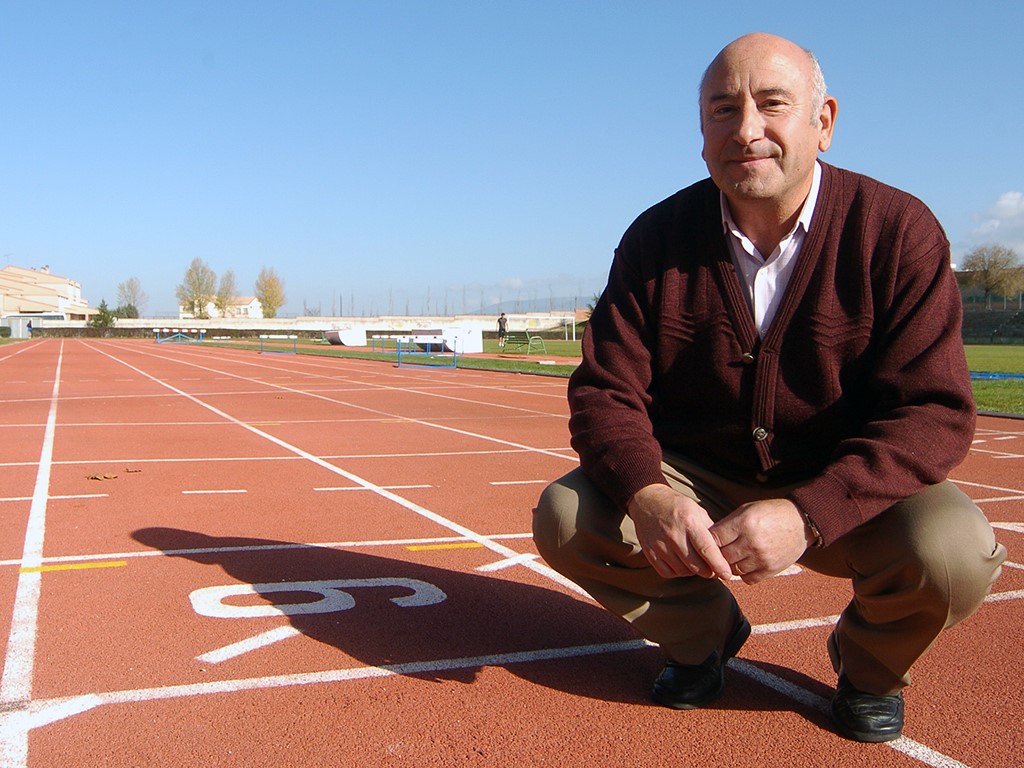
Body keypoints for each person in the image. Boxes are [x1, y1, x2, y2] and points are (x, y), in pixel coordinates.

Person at [533, 32, 1005, 743]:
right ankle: (702, 637)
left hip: (845, 479)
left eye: (772, 104)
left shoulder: (897, 231)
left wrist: (809, 513)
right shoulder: (656, 238)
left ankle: (870, 669)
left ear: (824, 120)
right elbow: (605, 392)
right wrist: (649, 495)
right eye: (723, 110)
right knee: (568, 515)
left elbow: (933, 412)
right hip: (700, 478)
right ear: (702, 134)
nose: (746, 129)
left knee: (954, 552)